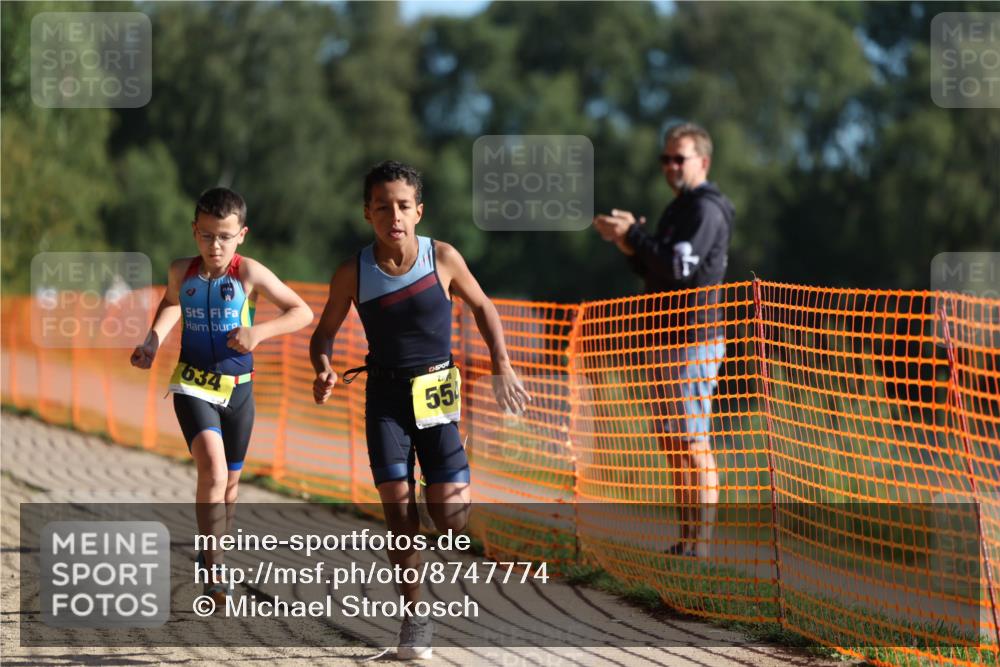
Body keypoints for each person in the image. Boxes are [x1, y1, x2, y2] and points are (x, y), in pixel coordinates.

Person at [310, 160, 530, 660]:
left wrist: (502, 365)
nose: (394, 215)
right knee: (398, 514)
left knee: (450, 518)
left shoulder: (443, 258)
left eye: (403, 206)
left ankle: (448, 472)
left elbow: (483, 308)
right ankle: (415, 620)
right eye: (383, 206)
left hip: (435, 395)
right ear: (367, 213)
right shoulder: (352, 272)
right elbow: (323, 333)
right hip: (384, 400)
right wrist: (323, 368)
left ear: (419, 211)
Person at [130, 187, 313, 604]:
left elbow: (302, 311)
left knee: (230, 486)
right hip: (192, 385)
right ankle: (214, 567)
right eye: (208, 235)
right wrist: (153, 341)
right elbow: (171, 302)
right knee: (211, 469)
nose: (216, 245)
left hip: (239, 393)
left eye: (225, 237)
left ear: (241, 234)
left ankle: (213, 548)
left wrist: (258, 333)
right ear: (195, 232)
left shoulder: (249, 273)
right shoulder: (182, 270)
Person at [593, 122, 734, 559]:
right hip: (664, 337)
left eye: (680, 158)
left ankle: (703, 545)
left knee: (693, 441)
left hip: (693, 339)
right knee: (672, 442)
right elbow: (656, 272)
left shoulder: (706, 209)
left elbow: (678, 267)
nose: (670, 166)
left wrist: (634, 236)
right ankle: (687, 538)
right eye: (665, 158)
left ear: (703, 162)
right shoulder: (679, 208)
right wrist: (628, 244)